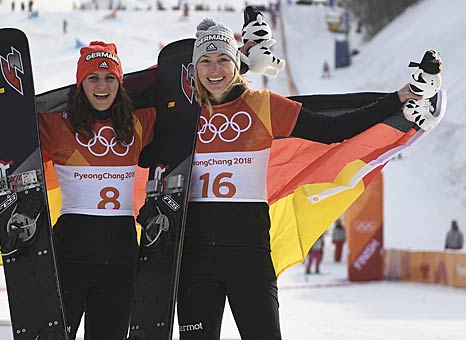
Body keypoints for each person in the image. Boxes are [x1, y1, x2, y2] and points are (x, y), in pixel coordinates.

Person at [174, 17, 424, 340]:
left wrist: (396, 100)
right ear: (194, 68)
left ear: (236, 64)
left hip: (248, 258)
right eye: (205, 61)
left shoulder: (262, 105)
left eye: (223, 59)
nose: (214, 69)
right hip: (194, 263)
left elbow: (332, 129)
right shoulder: (182, 112)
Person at [0, 41, 157, 340]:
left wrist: (232, 58)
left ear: (120, 82)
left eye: (109, 77)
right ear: (80, 82)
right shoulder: (59, 124)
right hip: (70, 255)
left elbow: (192, 108)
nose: (102, 85)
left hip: (122, 259)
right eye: (93, 78)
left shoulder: (139, 123)